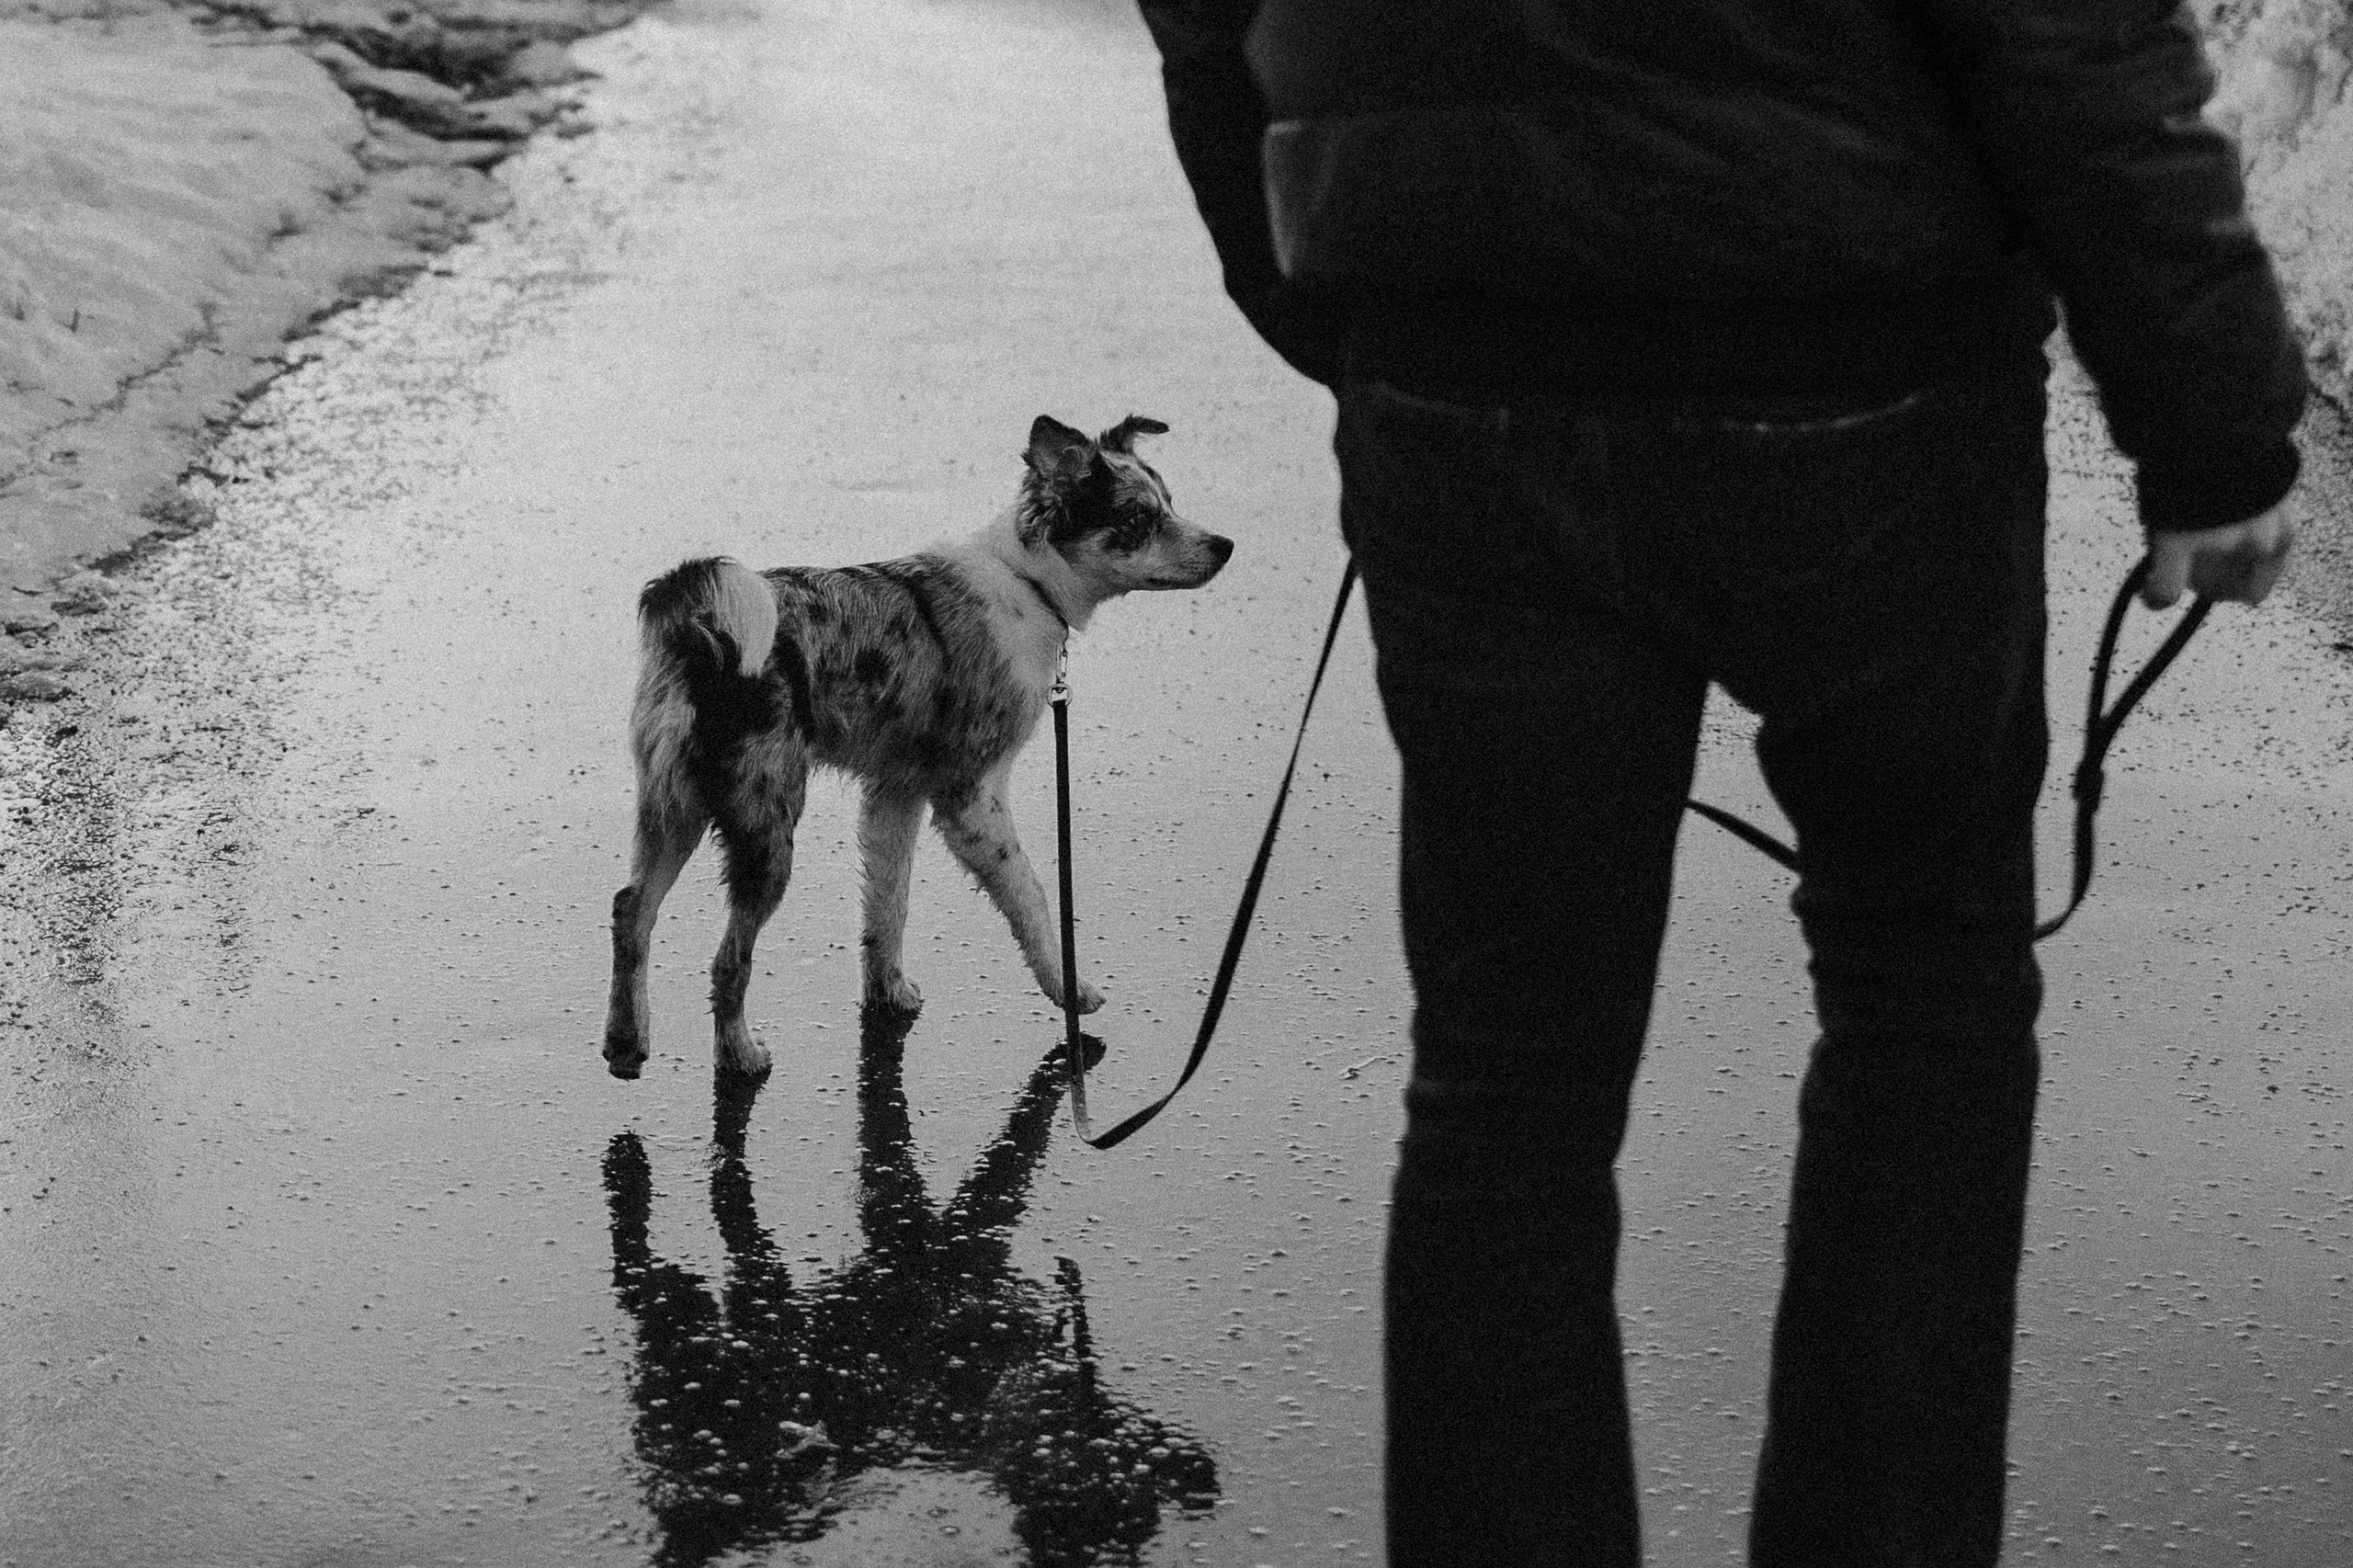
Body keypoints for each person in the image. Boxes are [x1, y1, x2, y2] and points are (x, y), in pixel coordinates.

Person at [1134, 2, 2304, 1563]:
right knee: (1922, 992)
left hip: (1465, 359)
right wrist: (2210, 414)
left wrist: (1345, 294)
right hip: (1871, 367)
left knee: (1509, 1077)